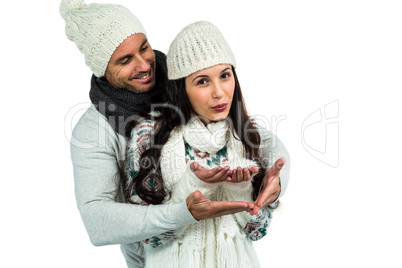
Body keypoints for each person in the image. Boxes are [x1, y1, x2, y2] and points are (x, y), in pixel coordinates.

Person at [59, 0, 290, 267]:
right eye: (125, 60)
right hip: (154, 257)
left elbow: (251, 134)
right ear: (103, 69)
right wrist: (184, 211)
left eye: (144, 47)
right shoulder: (93, 131)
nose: (145, 65)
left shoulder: (181, 73)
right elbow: (97, 221)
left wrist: (276, 178)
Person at [124, 21, 286, 268]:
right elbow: (147, 237)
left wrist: (240, 191)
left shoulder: (248, 135)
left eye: (225, 75)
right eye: (202, 81)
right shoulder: (148, 135)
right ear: (182, 88)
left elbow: (257, 231)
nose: (219, 92)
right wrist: (194, 189)